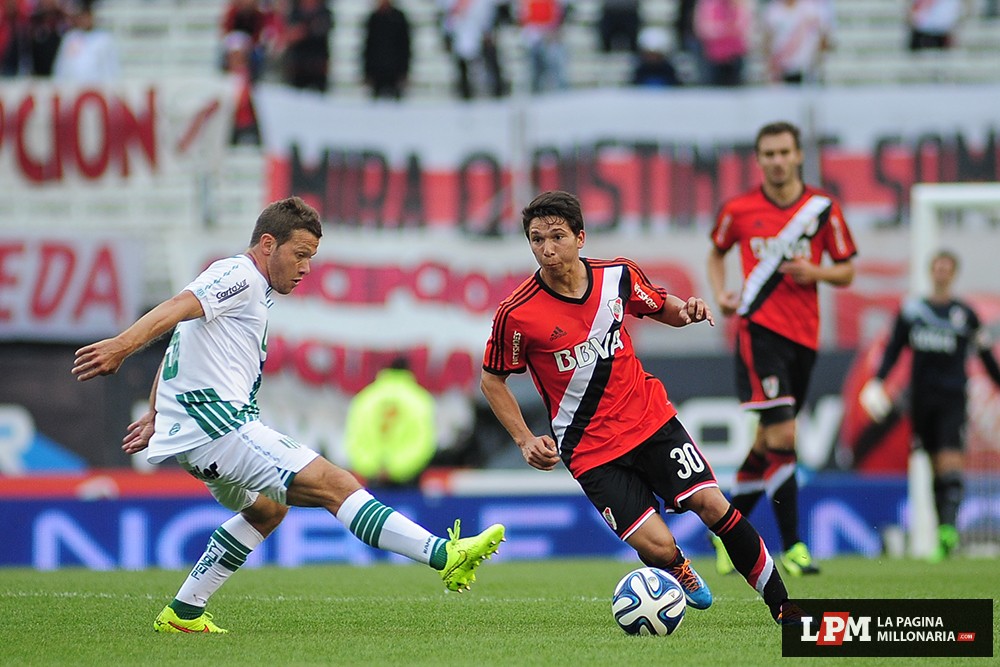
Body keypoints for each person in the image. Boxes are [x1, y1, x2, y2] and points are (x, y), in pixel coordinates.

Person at [72, 196, 504, 633]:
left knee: (267, 510)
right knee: (337, 485)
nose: (305, 268)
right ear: (266, 245)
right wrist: (121, 346)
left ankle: (183, 613)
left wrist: (155, 412)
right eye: (300, 255)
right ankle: (446, 556)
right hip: (218, 425)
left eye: (310, 258)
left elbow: (184, 340)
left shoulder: (244, 290)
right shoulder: (237, 273)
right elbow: (175, 308)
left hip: (202, 431)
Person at [481, 190, 800, 625]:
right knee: (658, 546)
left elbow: (658, 306)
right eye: (537, 239)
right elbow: (492, 378)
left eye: (557, 237)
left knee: (713, 504)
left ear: (580, 237)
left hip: (650, 421)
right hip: (590, 448)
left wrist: (685, 311)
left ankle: (784, 607)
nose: (547, 249)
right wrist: (523, 439)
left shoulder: (618, 276)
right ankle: (678, 568)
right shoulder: (516, 313)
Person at [706, 121, 857, 577]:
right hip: (758, 333)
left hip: (804, 336)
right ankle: (793, 545)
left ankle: (726, 531)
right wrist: (722, 293)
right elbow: (716, 251)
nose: (775, 161)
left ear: (798, 156)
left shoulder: (821, 209)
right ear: (759, 159)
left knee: (767, 441)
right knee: (784, 437)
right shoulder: (739, 208)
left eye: (783, 152)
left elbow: (846, 270)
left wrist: (817, 273)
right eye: (767, 153)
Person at [860, 250, 1000, 562]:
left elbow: (985, 354)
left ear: (953, 273)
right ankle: (943, 532)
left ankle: (949, 529)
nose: (941, 273)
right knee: (934, 465)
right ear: (930, 271)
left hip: (953, 398)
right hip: (921, 400)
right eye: (937, 267)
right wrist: (878, 381)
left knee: (950, 461)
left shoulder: (965, 314)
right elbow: (894, 349)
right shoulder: (912, 311)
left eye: (947, 268)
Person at [344, 356, 436, 486]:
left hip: (371, 477)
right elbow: (423, 442)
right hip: (407, 477)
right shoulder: (419, 398)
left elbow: (354, 437)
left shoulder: (365, 397)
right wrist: (396, 468)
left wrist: (371, 467)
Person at [761, 0, 833, 85]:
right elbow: (767, 39)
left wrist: (818, 59)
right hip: (782, 68)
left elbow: (823, 34)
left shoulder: (810, 9)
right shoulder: (774, 10)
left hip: (806, 68)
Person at [51, 0, 119, 83]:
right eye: (82, 17)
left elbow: (111, 67)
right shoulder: (71, 37)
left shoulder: (104, 39)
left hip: (97, 88)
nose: (84, 20)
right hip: (72, 88)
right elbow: (61, 66)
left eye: (87, 16)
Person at [693, 0, 751, 87]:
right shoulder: (708, 4)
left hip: (735, 54)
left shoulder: (738, 4)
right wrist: (724, 28)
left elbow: (743, 27)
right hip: (713, 55)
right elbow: (703, 29)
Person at [362, 0, 412, 100]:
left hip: (395, 70)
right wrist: (367, 71)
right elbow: (368, 45)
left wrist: (404, 71)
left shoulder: (399, 18)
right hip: (377, 69)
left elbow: (405, 46)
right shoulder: (374, 18)